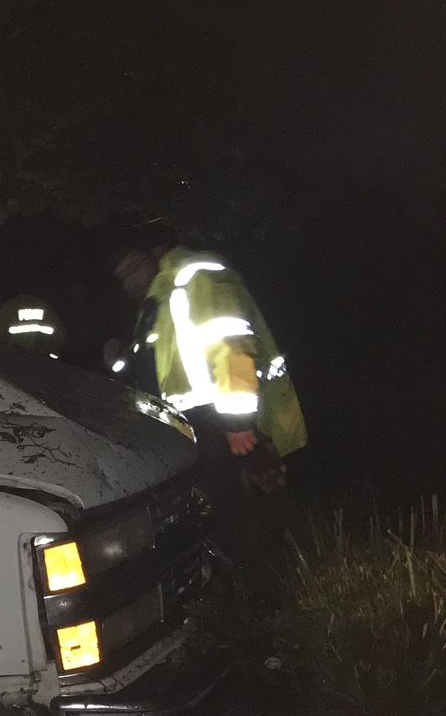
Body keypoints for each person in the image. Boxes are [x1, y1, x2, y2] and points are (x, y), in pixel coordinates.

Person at [111, 236, 305, 571]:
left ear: (155, 253)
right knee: (226, 517)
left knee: (247, 519)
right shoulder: (160, 297)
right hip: (196, 427)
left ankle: (275, 586)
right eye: (122, 277)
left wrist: (237, 423)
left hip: (225, 422)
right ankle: (254, 582)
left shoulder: (195, 277)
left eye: (133, 268)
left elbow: (229, 343)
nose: (130, 282)